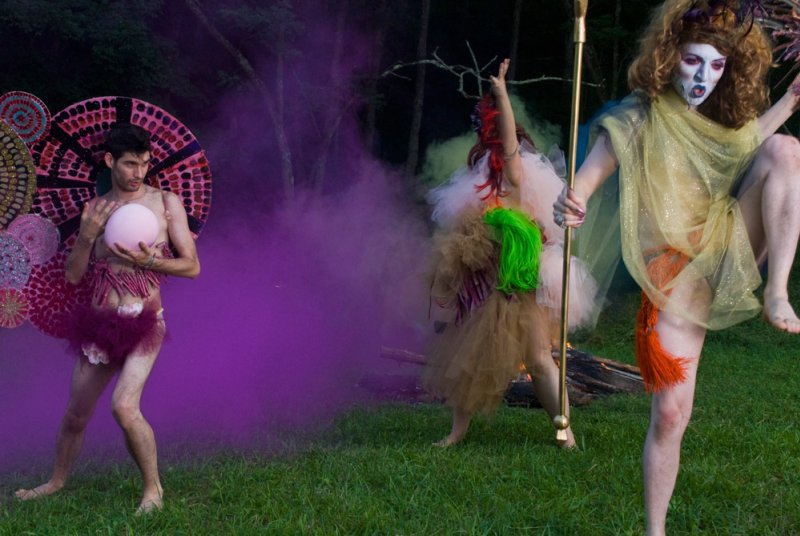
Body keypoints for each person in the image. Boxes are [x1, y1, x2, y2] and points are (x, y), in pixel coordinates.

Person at [553, 1, 800, 533]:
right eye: (694, 62)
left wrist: (793, 100)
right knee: (669, 416)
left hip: (730, 247)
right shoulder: (638, 115)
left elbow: (753, 144)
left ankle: (777, 291)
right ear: (670, 57)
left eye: (716, 66)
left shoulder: (722, 124)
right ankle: (655, 531)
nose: (704, 77)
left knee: (785, 150)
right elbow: (588, 180)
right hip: (674, 278)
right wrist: (570, 201)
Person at [15, 124, 200, 514]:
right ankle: (56, 481)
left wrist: (149, 260)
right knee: (76, 414)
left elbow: (191, 266)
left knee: (123, 407)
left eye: (145, 163)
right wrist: (86, 237)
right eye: (131, 164)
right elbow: (72, 275)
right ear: (110, 161)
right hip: (100, 324)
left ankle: (153, 491)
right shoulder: (95, 210)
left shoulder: (166, 202)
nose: (139, 173)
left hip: (145, 321)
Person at [422, 59, 600, 448]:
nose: (498, 155)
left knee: (538, 360)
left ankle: (564, 430)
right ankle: (457, 430)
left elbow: (508, 143)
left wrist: (501, 94)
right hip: (490, 282)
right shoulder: (480, 184)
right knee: (467, 359)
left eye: (502, 147)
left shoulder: (518, 176)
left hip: (521, 283)